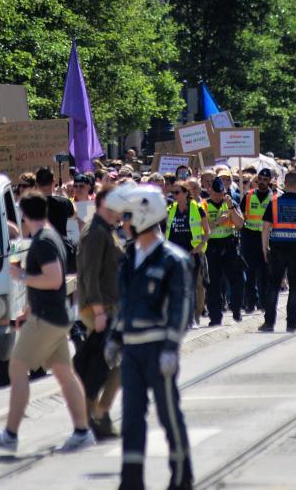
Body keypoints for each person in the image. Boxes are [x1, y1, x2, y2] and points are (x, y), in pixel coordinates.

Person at [0, 195, 96, 454]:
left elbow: (53, 280)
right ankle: (82, 430)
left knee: (18, 368)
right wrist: (28, 308)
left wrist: (21, 275)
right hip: (53, 315)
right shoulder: (49, 236)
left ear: (23, 215)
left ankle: (10, 434)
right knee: (66, 375)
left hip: (46, 319)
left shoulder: (42, 241)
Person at [101, 185, 196, 490]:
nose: (122, 223)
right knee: (131, 416)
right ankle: (131, 481)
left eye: (126, 216)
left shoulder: (173, 259)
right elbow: (124, 303)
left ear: (143, 215)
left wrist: (171, 346)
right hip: (132, 350)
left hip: (158, 349)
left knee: (168, 414)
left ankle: (182, 476)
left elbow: (182, 307)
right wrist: (114, 338)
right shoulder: (130, 258)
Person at [77, 184, 125, 439]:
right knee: (105, 362)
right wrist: (97, 312)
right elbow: (90, 275)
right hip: (99, 307)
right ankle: (94, 415)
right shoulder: (96, 232)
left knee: (107, 363)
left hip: (108, 305)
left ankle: (96, 414)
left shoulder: (107, 230)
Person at [260, 171, 296, 333]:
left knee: (273, 285)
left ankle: (269, 323)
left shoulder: (274, 203)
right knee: (294, 286)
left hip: (278, 248)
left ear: (284, 184)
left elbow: (265, 227)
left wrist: (264, 247)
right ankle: (291, 322)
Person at [201, 173, 244, 326]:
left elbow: (240, 224)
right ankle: (215, 317)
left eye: (222, 193)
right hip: (212, 247)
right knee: (213, 284)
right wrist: (218, 222)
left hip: (229, 245)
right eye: (216, 193)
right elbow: (203, 228)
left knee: (237, 280)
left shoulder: (230, 204)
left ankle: (237, 309)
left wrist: (231, 207)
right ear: (210, 191)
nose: (219, 196)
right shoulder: (203, 206)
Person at [164, 182, 208, 327]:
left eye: (177, 192)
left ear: (185, 193)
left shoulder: (197, 208)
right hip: (174, 254)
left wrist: (199, 247)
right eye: (173, 193)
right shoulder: (171, 209)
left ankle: (191, 318)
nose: (174, 196)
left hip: (191, 254)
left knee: (190, 287)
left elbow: (207, 232)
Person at [238, 169, 274, 313]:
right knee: (250, 272)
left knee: (264, 272)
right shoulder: (248, 196)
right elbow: (241, 216)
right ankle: (250, 303)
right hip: (249, 236)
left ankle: (264, 303)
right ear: (257, 179)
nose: (263, 182)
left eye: (266, 179)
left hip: (266, 238)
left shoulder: (274, 197)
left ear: (270, 180)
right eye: (261, 179)